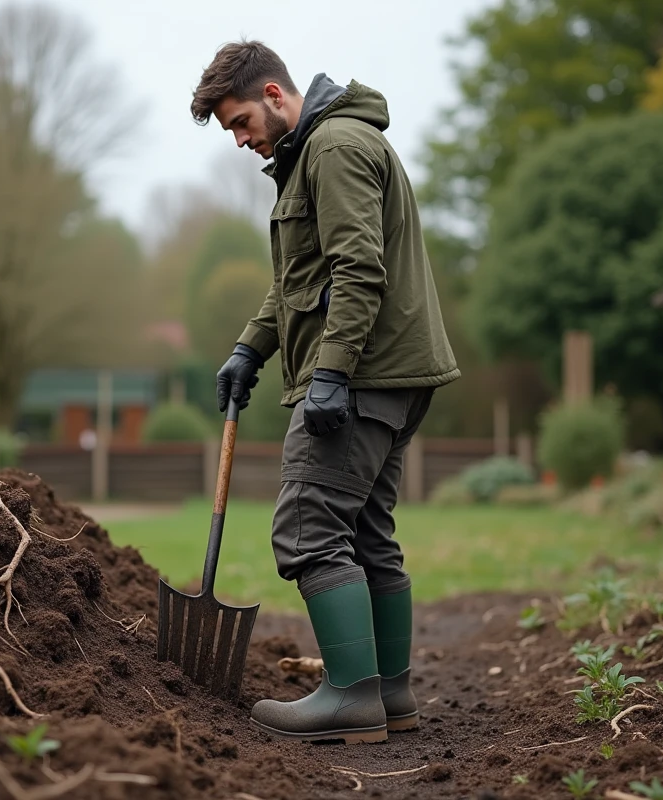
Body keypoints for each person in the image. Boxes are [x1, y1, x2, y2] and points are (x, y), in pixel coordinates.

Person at [190, 40, 461, 744]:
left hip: (363, 374)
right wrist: (251, 348)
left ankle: (351, 696)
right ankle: (390, 694)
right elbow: (298, 283)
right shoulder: (316, 150)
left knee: (309, 529)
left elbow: (357, 270)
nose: (243, 141)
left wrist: (332, 373)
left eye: (242, 122)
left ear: (275, 96)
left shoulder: (334, 148)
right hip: (392, 372)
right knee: (367, 532)